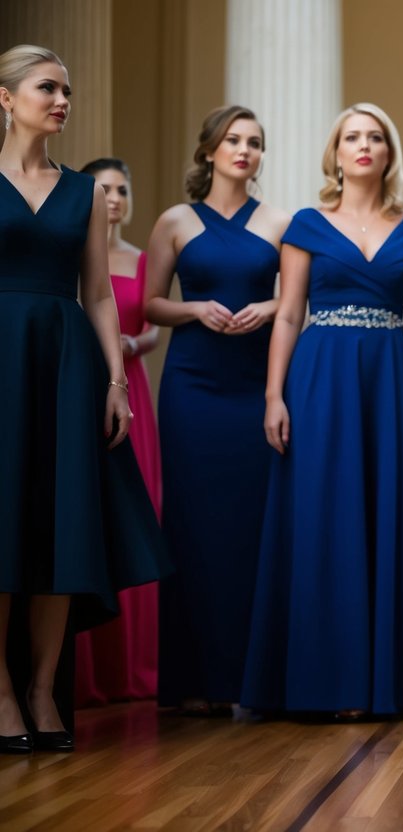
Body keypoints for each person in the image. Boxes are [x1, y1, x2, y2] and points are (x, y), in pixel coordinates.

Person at [243, 103, 403, 718]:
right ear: (335, 153)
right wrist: (274, 395)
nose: (363, 146)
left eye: (375, 137)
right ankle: (322, 681)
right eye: (351, 137)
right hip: (320, 377)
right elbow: (286, 313)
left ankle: (386, 683)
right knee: (322, 518)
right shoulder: (306, 224)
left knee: (385, 517)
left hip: (390, 378)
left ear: (389, 153)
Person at [0, 44, 167, 754]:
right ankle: (1, 691)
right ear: (5, 98)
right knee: (4, 520)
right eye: (47, 88)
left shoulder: (85, 193)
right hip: (2, 358)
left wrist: (113, 384)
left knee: (60, 524)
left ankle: (42, 687)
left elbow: (99, 293)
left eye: (66, 90)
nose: (62, 100)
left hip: (67, 362)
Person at [145, 105, 289, 714]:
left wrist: (272, 307)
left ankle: (250, 682)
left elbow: (299, 298)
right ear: (209, 151)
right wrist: (195, 309)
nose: (244, 151)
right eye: (233, 140)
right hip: (193, 386)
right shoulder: (175, 220)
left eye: (254, 143)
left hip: (255, 386)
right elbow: (151, 304)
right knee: (192, 527)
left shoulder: (280, 221)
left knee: (253, 528)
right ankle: (190, 683)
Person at [74, 157, 161, 707]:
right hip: (78, 381)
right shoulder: (70, 251)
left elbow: (150, 326)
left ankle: (135, 668)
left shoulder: (142, 259)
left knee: (138, 512)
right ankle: (85, 670)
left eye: (122, 189)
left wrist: (132, 347)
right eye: (104, 188)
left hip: (131, 387)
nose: (114, 198)